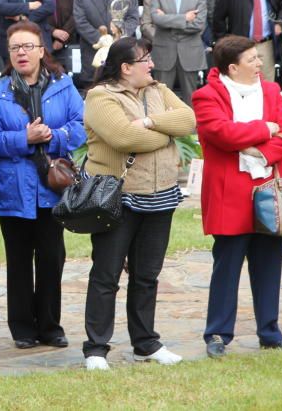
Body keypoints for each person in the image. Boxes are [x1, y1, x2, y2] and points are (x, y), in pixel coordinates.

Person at [81, 36, 196, 370]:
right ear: (125, 67)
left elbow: (188, 120)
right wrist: (167, 133)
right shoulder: (101, 96)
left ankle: (145, 344)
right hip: (119, 198)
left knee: (147, 275)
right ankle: (96, 348)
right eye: (144, 59)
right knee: (107, 274)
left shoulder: (158, 90)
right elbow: (123, 137)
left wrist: (149, 122)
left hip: (161, 197)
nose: (151, 63)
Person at [0, 22, 85, 352]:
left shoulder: (63, 85)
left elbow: (80, 126)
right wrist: (24, 138)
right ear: (8, 54)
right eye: (15, 48)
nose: (22, 53)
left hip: (52, 186)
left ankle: (51, 326)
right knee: (19, 259)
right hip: (13, 186)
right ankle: (22, 327)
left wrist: (54, 136)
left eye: (28, 46)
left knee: (53, 257)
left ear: (42, 50)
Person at [193, 35, 282, 357]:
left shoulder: (269, 90)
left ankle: (270, 331)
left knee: (269, 263)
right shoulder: (206, 96)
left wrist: (262, 151)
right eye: (252, 59)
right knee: (227, 266)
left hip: (270, 186)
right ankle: (217, 334)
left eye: (258, 58)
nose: (259, 64)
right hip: (230, 190)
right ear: (232, 67)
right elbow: (222, 134)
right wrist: (265, 130)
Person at [212, 0, 282, 83]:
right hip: (241, 45)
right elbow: (218, 18)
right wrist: (225, 41)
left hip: (265, 44)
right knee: (242, 81)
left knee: (266, 83)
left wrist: (279, 23)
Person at [146, 0, 207, 104]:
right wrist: (184, 18)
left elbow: (198, 25)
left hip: (190, 53)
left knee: (191, 100)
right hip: (164, 52)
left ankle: (192, 128)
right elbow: (156, 19)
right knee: (160, 98)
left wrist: (167, 19)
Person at [72, 0, 139, 87]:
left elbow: (133, 17)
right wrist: (103, 40)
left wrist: (119, 36)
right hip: (93, 53)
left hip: (120, 52)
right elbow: (80, 21)